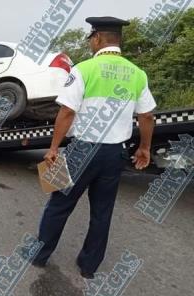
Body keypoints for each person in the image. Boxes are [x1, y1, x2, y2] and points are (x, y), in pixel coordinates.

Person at [33, 17, 156, 279]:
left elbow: (67, 111)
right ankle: (89, 267)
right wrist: (144, 148)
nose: (90, 42)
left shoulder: (84, 69)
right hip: (114, 154)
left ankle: (40, 255)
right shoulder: (137, 74)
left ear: (98, 38)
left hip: (81, 151)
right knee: (102, 212)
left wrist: (54, 148)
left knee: (59, 204)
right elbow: (147, 116)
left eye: (91, 38)